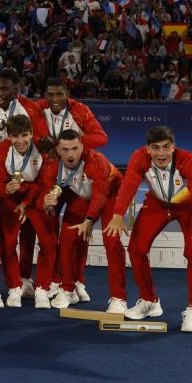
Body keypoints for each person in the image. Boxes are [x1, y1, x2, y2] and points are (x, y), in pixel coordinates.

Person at [104, 126, 192, 333]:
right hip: (157, 204)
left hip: (188, 207)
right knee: (136, 249)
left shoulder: (189, 160)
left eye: (166, 147)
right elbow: (129, 185)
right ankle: (149, 301)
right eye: (155, 148)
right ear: (148, 149)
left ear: (173, 147)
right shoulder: (139, 157)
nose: (161, 153)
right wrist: (118, 214)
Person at [36, 130, 122, 310]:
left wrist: (89, 220)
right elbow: (46, 189)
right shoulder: (52, 164)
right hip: (82, 198)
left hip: (111, 196)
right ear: (57, 150)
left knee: (112, 242)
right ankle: (68, 288)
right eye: (65, 149)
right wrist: (47, 201)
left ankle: (118, 298)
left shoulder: (96, 161)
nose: (71, 154)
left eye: (75, 148)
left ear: (82, 146)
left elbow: (99, 196)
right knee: (67, 238)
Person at [0, 115, 57, 308]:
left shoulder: (44, 149)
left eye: (24, 135)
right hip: (11, 200)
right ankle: (14, 287)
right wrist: (4, 190)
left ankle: (42, 289)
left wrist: (28, 202)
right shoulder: (3, 148)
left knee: (48, 243)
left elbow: (45, 183)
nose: (20, 141)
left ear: (31, 133)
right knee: (9, 243)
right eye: (14, 136)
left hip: (36, 199)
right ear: (8, 136)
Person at [0, 69, 48, 145]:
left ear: (16, 90)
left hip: (22, 154)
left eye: (4, 89)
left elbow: (42, 139)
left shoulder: (31, 108)